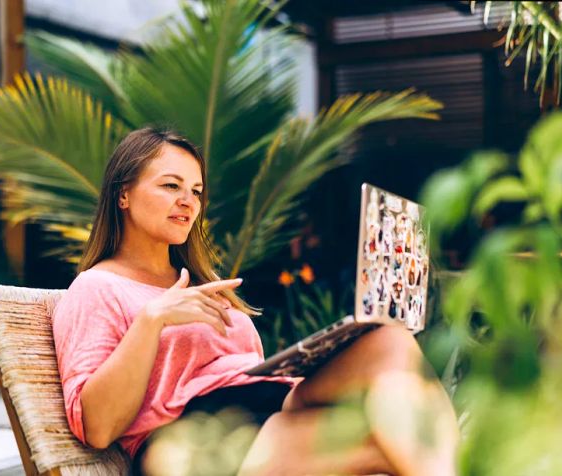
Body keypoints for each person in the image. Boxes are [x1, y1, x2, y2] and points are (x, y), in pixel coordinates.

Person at [52, 128, 459, 476]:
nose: (188, 201)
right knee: (388, 435)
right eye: (171, 185)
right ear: (123, 195)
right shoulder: (96, 288)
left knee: (389, 341)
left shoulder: (206, 285)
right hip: (191, 439)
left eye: (195, 191)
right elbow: (98, 426)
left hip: (265, 402)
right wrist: (151, 320)